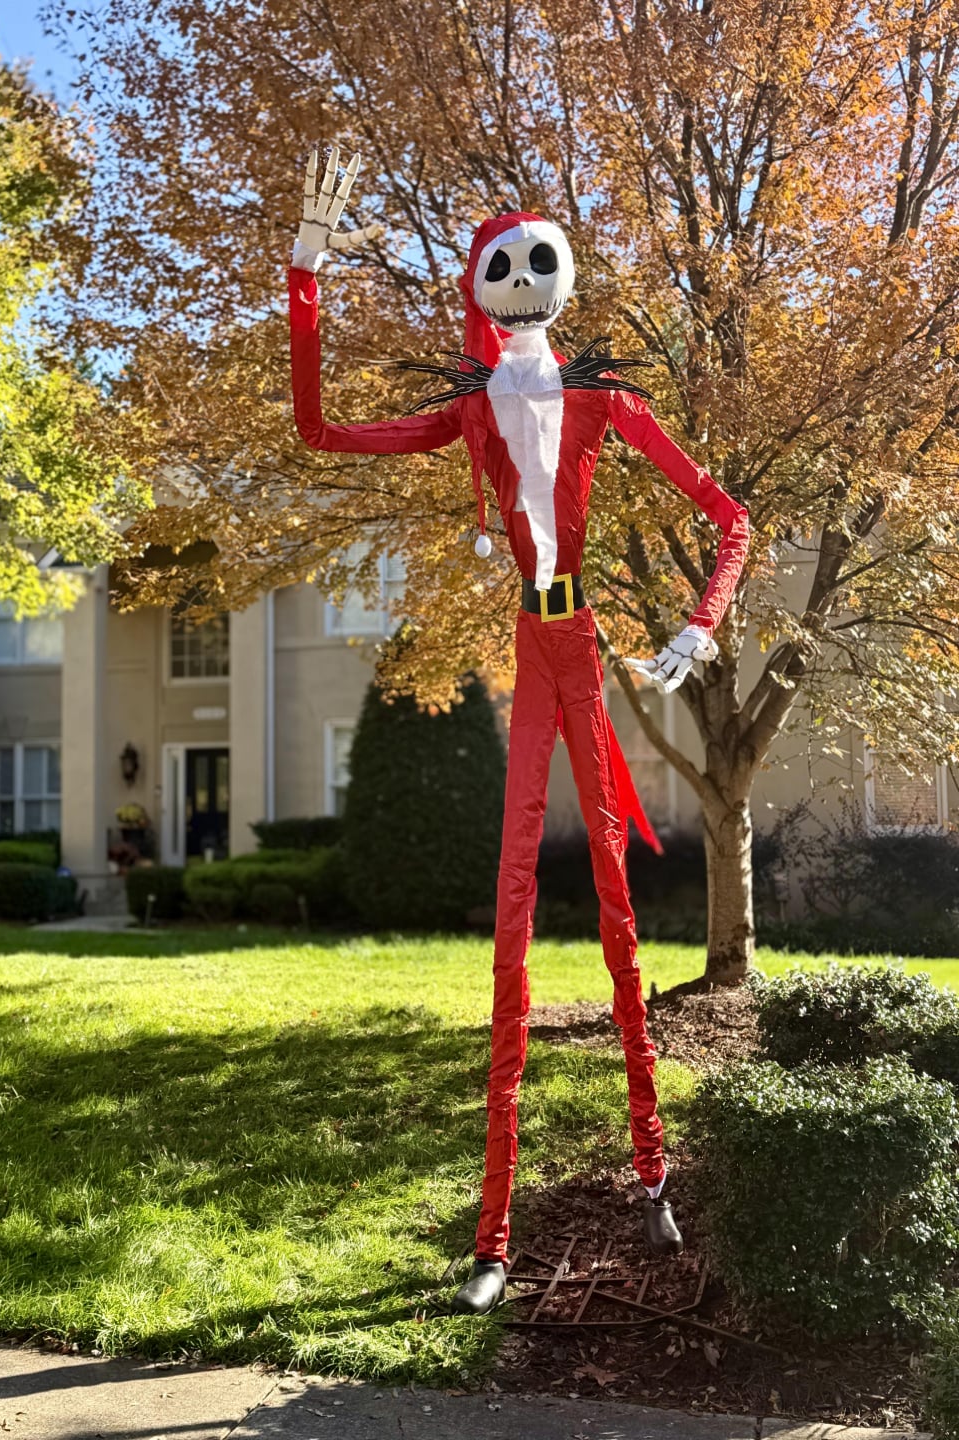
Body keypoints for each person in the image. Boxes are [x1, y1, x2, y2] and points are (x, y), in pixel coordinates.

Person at [288, 146, 750, 1315]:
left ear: (563, 278)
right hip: (530, 653)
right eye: (511, 263)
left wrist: (702, 624)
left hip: (581, 641)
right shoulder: (471, 412)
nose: (530, 276)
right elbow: (320, 433)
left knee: (617, 916)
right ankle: (492, 1238)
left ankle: (652, 1176)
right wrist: (306, 281)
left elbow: (732, 518)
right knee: (508, 926)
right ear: (483, 285)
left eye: (543, 260)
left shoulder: (607, 403)